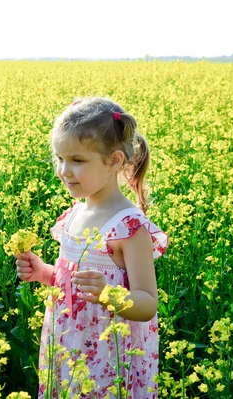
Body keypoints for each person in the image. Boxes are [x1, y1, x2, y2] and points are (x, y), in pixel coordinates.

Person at [15, 97, 168, 398]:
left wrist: (109, 295)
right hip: (68, 343)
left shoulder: (129, 227)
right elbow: (70, 281)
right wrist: (43, 272)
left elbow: (148, 303)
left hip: (109, 354)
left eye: (78, 160)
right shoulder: (74, 214)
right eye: (59, 158)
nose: (64, 170)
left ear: (114, 161)